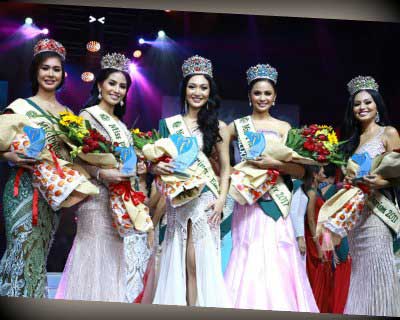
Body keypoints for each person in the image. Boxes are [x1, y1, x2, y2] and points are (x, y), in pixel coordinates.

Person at [55, 53, 150, 302]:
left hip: (121, 202)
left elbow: (125, 162)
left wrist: (139, 169)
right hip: (97, 200)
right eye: (112, 83)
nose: (117, 90)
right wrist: (100, 172)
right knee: (93, 255)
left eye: (122, 86)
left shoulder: (122, 125)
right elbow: (76, 161)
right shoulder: (87, 116)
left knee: (114, 259)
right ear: (99, 85)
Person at [223, 64, 319, 312]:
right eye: (257, 93)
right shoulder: (235, 127)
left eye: (267, 93)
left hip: (276, 203)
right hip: (248, 204)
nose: (262, 98)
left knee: (278, 259)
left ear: (275, 98)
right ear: (249, 96)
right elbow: (224, 165)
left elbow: (299, 171)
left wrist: (274, 164)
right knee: (248, 256)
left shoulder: (284, 129)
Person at [151, 55, 232, 307]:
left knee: (196, 261)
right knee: (178, 259)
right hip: (178, 197)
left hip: (205, 197)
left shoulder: (217, 126)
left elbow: (227, 168)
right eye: (192, 86)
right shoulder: (168, 125)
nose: (197, 92)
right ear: (184, 89)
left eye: (204, 87)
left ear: (210, 92)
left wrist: (220, 200)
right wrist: (156, 166)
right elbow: (156, 165)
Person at [0, 38, 70, 297]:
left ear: (63, 75)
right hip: (23, 189)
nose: (50, 74)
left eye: (56, 69)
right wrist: (12, 156)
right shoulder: (20, 106)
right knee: (20, 250)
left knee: (39, 253)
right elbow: (3, 143)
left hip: (52, 194)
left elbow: (67, 157)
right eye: (45, 68)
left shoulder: (68, 115)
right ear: (36, 71)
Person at [340, 76, 400, 316]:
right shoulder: (351, 142)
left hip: (378, 213)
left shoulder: (389, 133)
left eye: (368, 102)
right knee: (361, 272)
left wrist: (381, 181)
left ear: (377, 105)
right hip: (357, 217)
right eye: (357, 104)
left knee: (380, 268)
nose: (362, 107)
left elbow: (398, 171)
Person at [304, 165, 334, 313]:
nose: (324, 173)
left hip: (322, 238)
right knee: (316, 276)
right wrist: (317, 246)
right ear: (315, 175)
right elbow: (310, 220)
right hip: (315, 240)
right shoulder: (311, 192)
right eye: (322, 171)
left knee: (323, 276)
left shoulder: (317, 191)